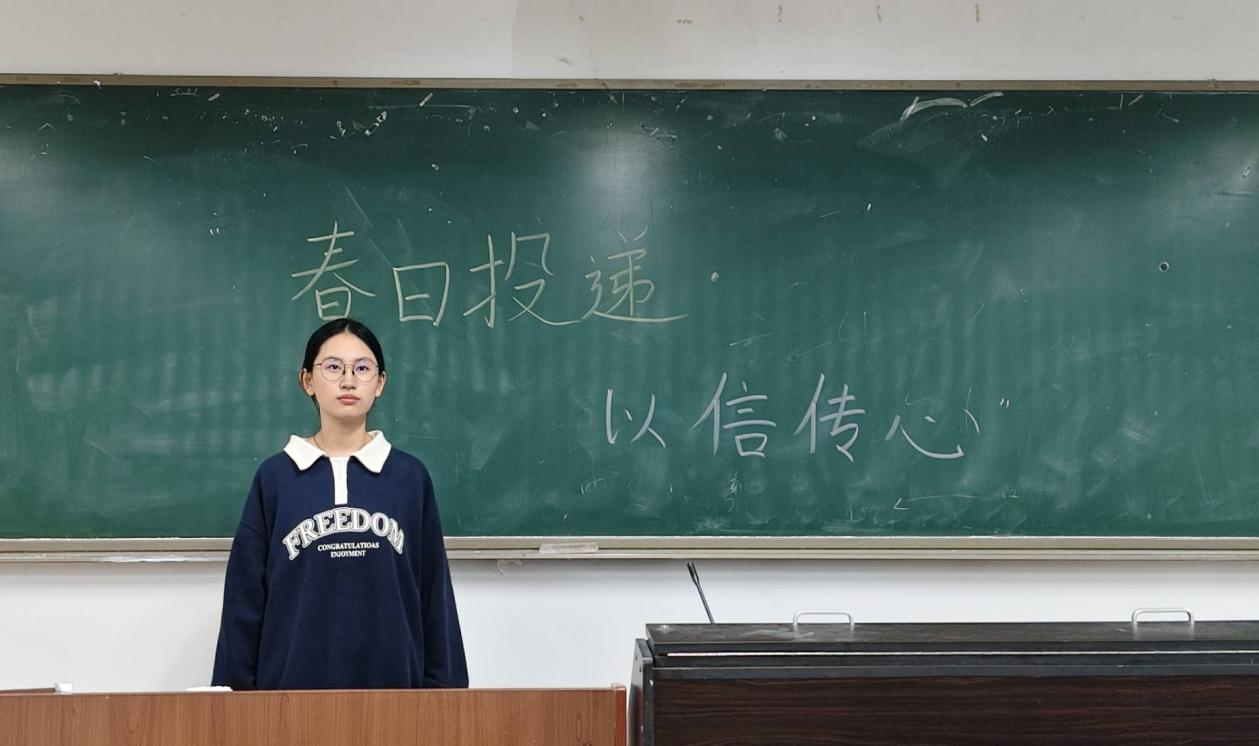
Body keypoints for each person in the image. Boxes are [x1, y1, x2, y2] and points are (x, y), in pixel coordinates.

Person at [211, 318, 468, 689]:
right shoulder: (276, 478)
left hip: (396, 699)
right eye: (333, 367)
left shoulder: (408, 478)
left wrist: (446, 697)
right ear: (307, 381)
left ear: (380, 383)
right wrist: (234, 699)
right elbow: (244, 600)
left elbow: (434, 597)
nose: (348, 380)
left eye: (362, 368)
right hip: (288, 702)